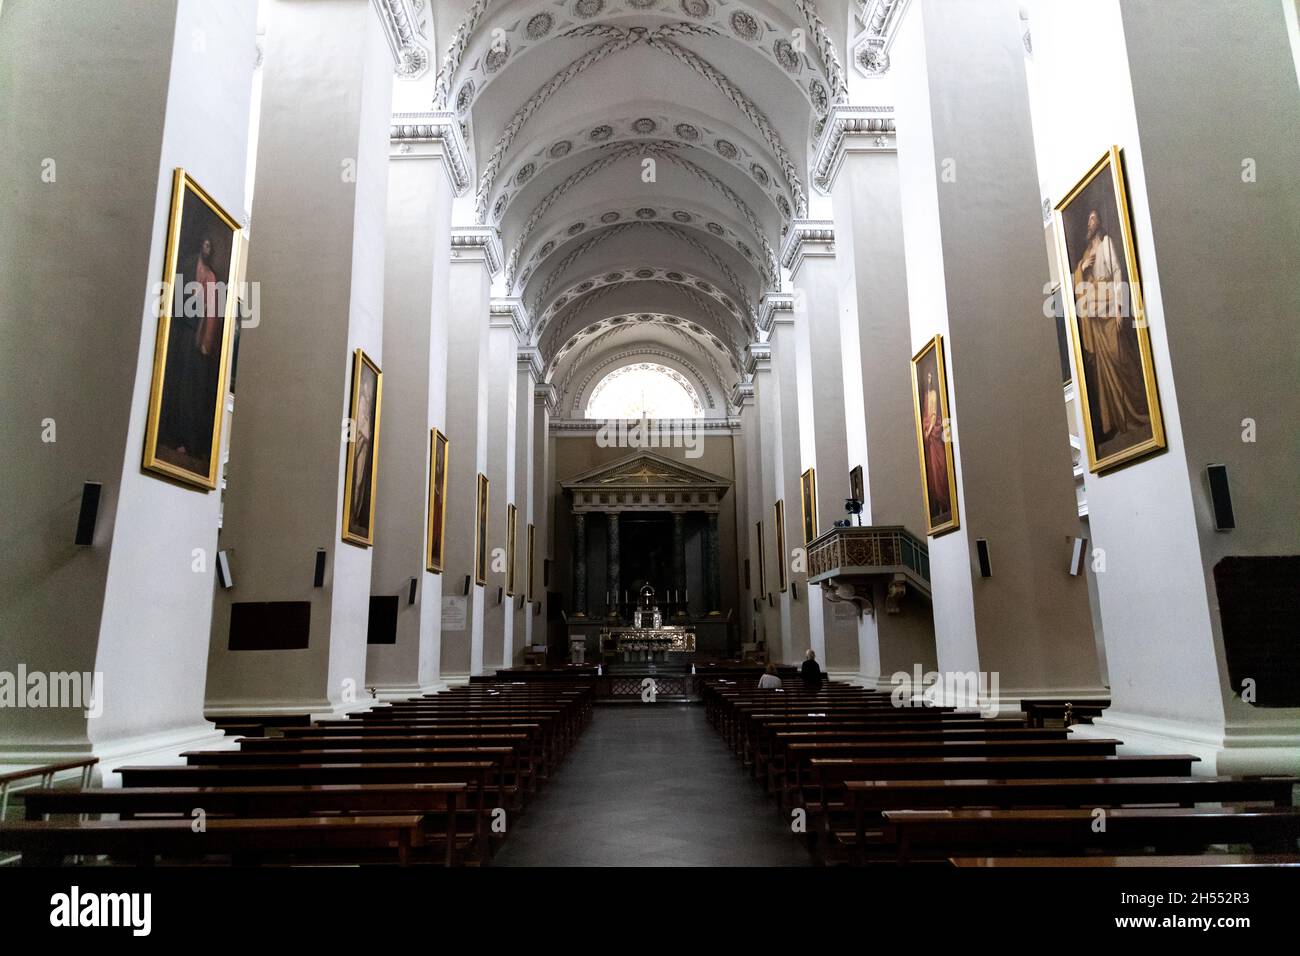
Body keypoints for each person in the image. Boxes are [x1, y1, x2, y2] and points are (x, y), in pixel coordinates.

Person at [1072, 207, 1149, 447]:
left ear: (1100, 222)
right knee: (1107, 369)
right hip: (1095, 314)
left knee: (1120, 358)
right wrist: (1082, 269)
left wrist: (1118, 305)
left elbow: (1116, 271)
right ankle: (1119, 421)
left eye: (1093, 218)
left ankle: (1138, 412)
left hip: (1108, 306)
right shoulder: (1087, 253)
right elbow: (1079, 286)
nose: (1090, 223)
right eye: (1088, 220)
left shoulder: (1106, 243)